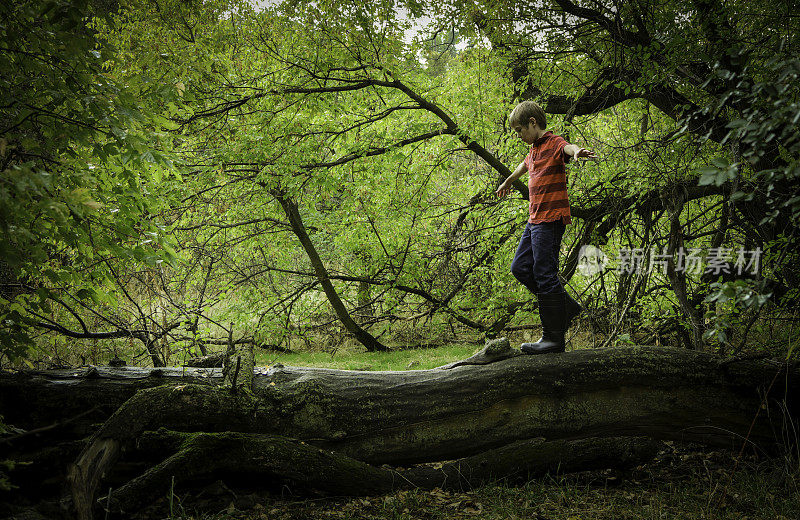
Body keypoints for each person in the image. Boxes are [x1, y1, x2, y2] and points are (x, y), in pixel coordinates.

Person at [496, 100, 596, 354]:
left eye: (520, 130)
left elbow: (567, 148)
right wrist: (508, 180)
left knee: (545, 274)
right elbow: (524, 165)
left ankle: (553, 338)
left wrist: (576, 152)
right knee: (519, 267)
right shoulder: (534, 150)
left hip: (550, 219)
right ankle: (566, 306)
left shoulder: (553, 143)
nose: (519, 136)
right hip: (534, 219)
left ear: (532, 123)